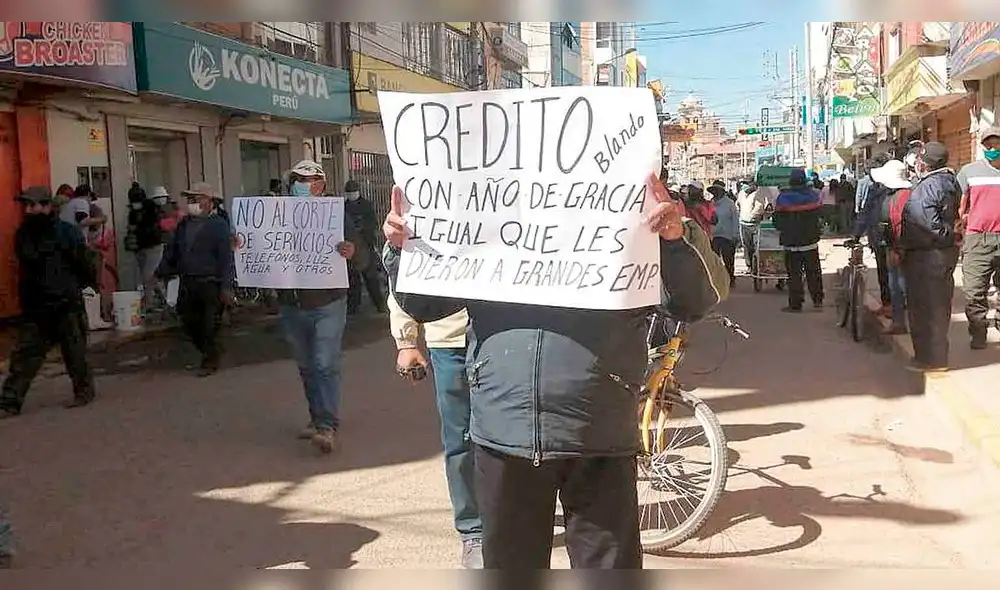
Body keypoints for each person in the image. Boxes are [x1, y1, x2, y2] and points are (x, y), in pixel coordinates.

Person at [382, 172, 729, 570]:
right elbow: (424, 304)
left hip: (598, 429)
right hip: (503, 426)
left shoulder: (633, 202)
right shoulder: (486, 210)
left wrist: (674, 240)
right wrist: (405, 249)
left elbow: (698, 300)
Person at [385, 268, 482, 568]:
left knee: (516, 433)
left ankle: (516, 514)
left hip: (510, 334)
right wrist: (406, 342)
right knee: (460, 438)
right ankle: (473, 531)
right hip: (449, 340)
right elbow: (403, 267)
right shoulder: (418, 219)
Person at [276, 160, 364, 454]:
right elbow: (260, 245)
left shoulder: (336, 215)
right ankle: (317, 419)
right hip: (292, 303)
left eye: (312, 180)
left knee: (324, 363)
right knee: (306, 366)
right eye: (299, 179)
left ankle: (327, 425)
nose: (305, 185)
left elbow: (363, 256)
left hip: (328, 302)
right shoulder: (277, 215)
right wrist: (242, 245)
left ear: (322, 185)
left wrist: (351, 252)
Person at [0, 186, 97, 417]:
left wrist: (83, 285)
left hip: (66, 303)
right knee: (25, 356)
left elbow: (83, 262)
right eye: (27, 206)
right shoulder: (24, 234)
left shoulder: (66, 232)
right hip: (37, 306)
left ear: (47, 206)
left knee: (75, 352)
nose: (29, 210)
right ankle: (10, 402)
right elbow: (28, 260)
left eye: (34, 206)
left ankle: (83, 391)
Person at [155, 182, 234, 377]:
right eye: (190, 199)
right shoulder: (184, 225)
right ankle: (211, 351)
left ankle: (210, 359)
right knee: (188, 322)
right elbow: (173, 251)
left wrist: (226, 287)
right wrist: (160, 271)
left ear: (209, 202)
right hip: (188, 282)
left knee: (209, 325)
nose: (192, 203)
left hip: (211, 283)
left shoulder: (218, 225)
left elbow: (226, 258)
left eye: (197, 199)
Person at [897, 142, 961, 371]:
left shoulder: (929, 186)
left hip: (928, 256)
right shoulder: (948, 181)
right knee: (937, 306)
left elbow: (925, 223)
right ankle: (934, 356)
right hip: (939, 254)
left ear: (924, 163)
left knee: (926, 308)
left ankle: (931, 359)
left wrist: (948, 236)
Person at [957, 125, 1000, 350]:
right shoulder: (969, 171)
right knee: (974, 291)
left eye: (997, 144)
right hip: (978, 239)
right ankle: (978, 332)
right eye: (989, 145)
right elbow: (960, 204)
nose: (993, 148)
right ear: (983, 147)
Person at [773, 168, 824, 312]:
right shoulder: (813, 196)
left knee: (794, 275)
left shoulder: (783, 198)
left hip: (791, 244)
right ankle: (817, 300)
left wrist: (786, 230)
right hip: (810, 243)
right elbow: (820, 216)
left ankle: (796, 304)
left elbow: (776, 221)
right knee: (813, 272)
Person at [871, 160, 912, 334]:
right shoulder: (907, 194)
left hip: (898, 248)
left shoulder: (898, 198)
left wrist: (896, 249)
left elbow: (897, 225)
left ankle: (899, 323)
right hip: (902, 247)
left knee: (898, 286)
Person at [854, 153, 895, 315]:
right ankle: (888, 305)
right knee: (883, 273)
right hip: (878, 237)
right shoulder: (874, 189)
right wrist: (856, 235)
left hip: (895, 238)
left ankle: (897, 308)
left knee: (896, 276)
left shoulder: (899, 188)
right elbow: (865, 213)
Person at [344, 180, 386, 315]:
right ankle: (353, 306)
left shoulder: (366, 205)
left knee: (371, 278)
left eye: (353, 191)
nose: (352, 194)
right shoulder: (344, 206)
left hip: (365, 245)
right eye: (349, 191)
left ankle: (379, 304)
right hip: (350, 245)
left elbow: (373, 222)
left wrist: (363, 228)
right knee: (353, 280)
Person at [125, 182, 166, 312]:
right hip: (141, 247)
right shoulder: (133, 211)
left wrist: (137, 228)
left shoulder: (150, 208)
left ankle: (150, 304)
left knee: (148, 276)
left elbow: (151, 226)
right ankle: (163, 300)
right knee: (148, 276)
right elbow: (131, 228)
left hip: (153, 246)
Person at [709, 184, 739, 287]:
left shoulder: (730, 203)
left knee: (728, 259)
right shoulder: (711, 203)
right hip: (714, 236)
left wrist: (735, 235)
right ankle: (717, 280)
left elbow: (735, 220)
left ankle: (731, 278)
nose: (715, 193)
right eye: (713, 191)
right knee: (715, 260)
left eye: (716, 191)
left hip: (727, 236)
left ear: (722, 191)